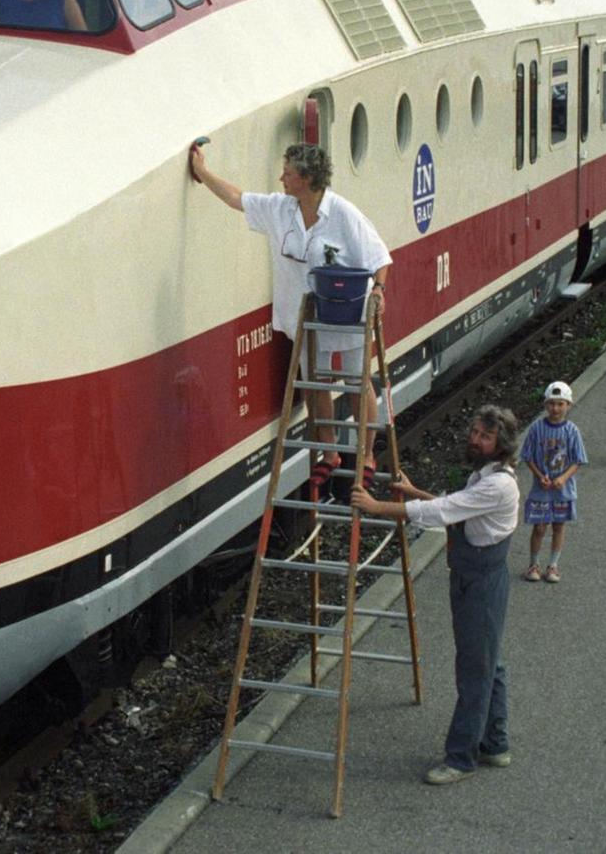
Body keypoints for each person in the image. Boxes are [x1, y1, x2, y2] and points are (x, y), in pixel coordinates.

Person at [189, 141, 391, 484]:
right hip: (307, 316)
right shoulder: (280, 209)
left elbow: (379, 258)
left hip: (348, 313)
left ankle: (367, 454)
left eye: (288, 173)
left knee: (358, 383)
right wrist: (203, 172)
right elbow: (237, 199)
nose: (281, 177)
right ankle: (330, 451)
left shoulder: (343, 214)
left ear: (307, 178)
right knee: (316, 383)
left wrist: (379, 290)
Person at [352, 405, 520, 785]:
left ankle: (461, 758)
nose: (475, 440)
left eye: (484, 436)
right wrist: (413, 492)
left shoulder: (498, 484)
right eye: (475, 432)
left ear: (501, 445)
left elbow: (447, 510)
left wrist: (378, 506)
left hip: (481, 582)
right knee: (488, 663)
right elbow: (462, 507)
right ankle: (495, 743)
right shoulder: (487, 476)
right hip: (475, 576)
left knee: (475, 669)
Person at [518, 381, 585, 583]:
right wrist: (540, 475)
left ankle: (553, 565)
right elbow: (527, 456)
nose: (555, 408)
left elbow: (578, 459)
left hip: (563, 489)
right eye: (551, 404)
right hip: (542, 488)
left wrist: (563, 478)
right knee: (539, 527)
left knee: (558, 526)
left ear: (568, 405)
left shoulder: (572, 431)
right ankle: (533, 563)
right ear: (546, 405)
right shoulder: (537, 429)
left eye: (560, 404)